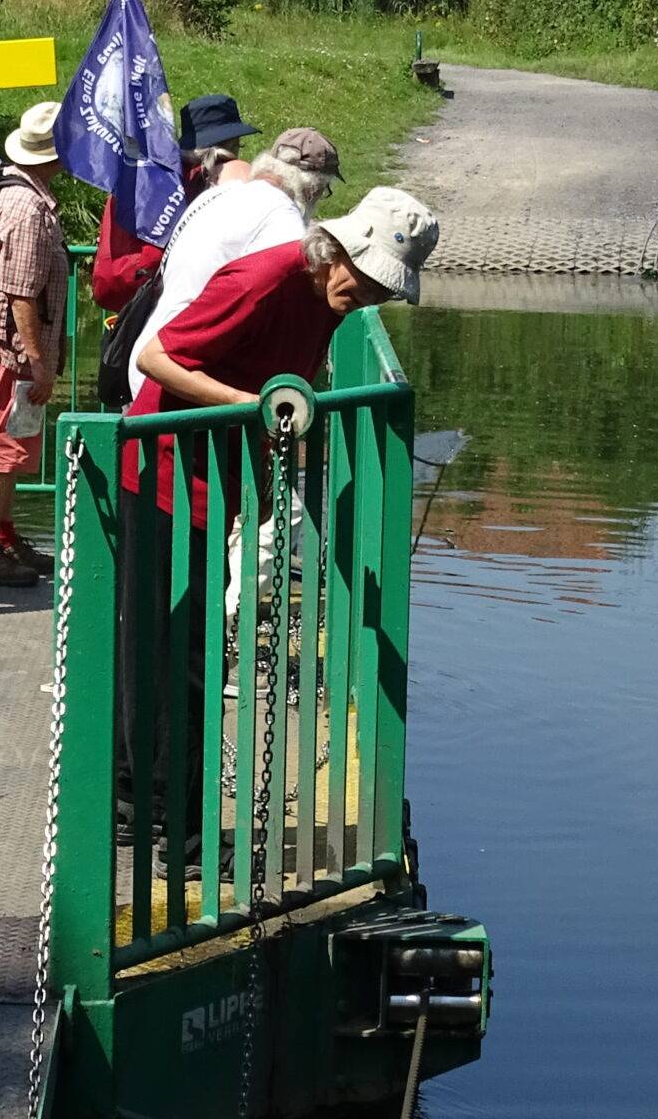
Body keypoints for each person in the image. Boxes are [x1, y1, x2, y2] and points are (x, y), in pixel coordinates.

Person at [117, 187, 439, 877]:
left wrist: (264, 479)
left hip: (217, 477)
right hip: (166, 474)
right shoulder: (266, 280)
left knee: (163, 649)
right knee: (179, 658)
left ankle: (141, 813)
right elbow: (158, 359)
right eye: (371, 276)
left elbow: (291, 378)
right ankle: (183, 843)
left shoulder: (326, 300)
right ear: (341, 248)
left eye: (389, 287)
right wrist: (250, 407)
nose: (374, 294)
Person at [118, 127, 342, 406]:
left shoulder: (217, 194)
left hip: (155, 354)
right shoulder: (282, 217)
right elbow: (285, 291)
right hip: (181, 370)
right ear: (313, 187)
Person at [0, 101, 70, 588]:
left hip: (5, 345)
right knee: (5, 450)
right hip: (13, 351)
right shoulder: (28, 207)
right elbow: (21, 291)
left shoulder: (12, 193)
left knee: (8, 444)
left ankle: (3, 538)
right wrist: (38, 362)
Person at [89, 94, 259, 313]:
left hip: (129, 300)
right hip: (181, 309)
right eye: (237, 144)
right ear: (228, 145)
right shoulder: (213, 184)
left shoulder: (143, 178)